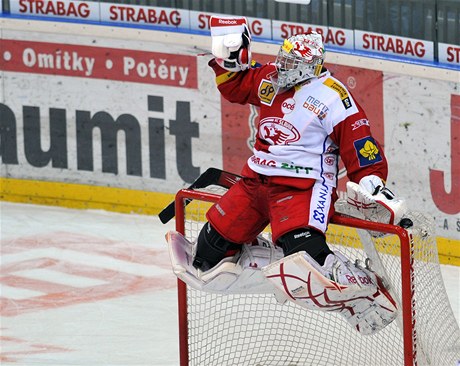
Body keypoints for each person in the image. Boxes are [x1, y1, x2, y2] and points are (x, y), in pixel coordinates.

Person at [167, 17, 405, 334]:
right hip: (255, 183)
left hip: (302, 187)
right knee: (207, 258)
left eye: (291, 62)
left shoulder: (334, 95)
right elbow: (236, 86)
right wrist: (228, 56)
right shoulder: (272, 78)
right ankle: (273, 260)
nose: (282, 65)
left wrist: (372, 181)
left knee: (307, 261)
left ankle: (366, 292)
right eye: (283, 57)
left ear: (310, 65)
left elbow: (360, 142)